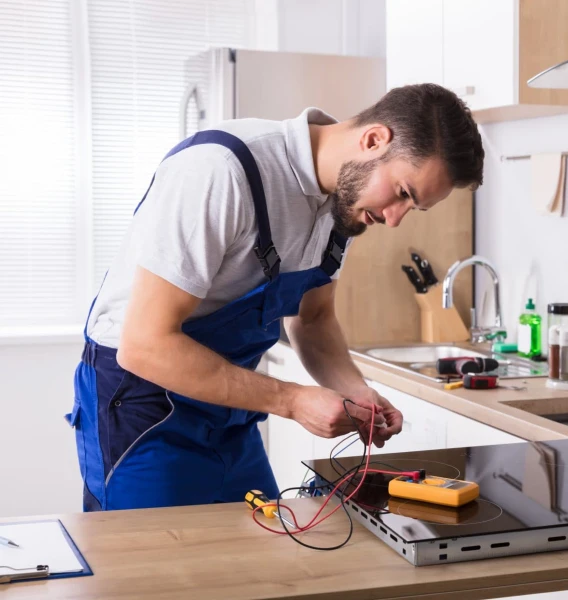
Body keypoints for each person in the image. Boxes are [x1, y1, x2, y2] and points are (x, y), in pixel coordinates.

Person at [66, 83, 485, 511]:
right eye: (403, 193)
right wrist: (292, 400)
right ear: (374, 140)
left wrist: (357, 393)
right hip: (142, 408)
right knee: (156, 573)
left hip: (229, 414)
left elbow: (314, 320)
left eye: (414, 208)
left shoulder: (343, 203)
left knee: (263, 558)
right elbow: (145, 347)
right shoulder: (221, 170)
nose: (395, 220)